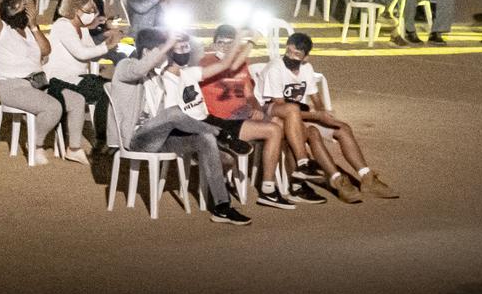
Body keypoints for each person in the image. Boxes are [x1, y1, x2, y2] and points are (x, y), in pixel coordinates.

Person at [109, 27, 252, 225]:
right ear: (147, 52)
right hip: (136, 139)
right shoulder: (126, 65)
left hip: (161, 138)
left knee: (205, 139)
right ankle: (222, 135)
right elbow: (139, 69)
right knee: (175, 111)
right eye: (162, 50)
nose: (167, 55)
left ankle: (222, 206)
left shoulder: (159, 77)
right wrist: (168, 43)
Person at [254, 33, 398, 203]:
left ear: (306, 57)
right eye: (289, 51)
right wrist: (316, 115)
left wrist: (323, 114)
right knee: (313, 132)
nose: (291, 57)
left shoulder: (306, 68)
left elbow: (314, 97)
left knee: (342, 128)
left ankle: (366, 176)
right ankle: (338, 180)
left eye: (297, 54)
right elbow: (282, 108)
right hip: (276, 116)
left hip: (299, 114)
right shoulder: (275, 69)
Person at [197, 26, 297, 209]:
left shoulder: (241, 64)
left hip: (242, 116)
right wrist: (250, 41)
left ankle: (291, 179)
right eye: (222, 43)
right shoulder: (205, 62)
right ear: (213, 43)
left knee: (280, 122)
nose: (227, 47)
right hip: (222, 120)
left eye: (231, 43)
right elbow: (227, 65)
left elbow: (249, 94)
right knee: (274, 130)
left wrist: (256, 108)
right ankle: (268, 189)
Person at [43, 0, 121, 158]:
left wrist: (115, 47)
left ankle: (106, 139)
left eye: (93, 11)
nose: (92, 15)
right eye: (88, 11)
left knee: (111, 89)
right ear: (75, 9)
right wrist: (107, 46)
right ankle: (102, 140)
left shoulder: (82, 28)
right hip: (59, 81)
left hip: (78, 78)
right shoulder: (62, 26)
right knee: (106, 91)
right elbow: (82, 53)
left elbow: (92, 52)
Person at [0, 0, 62, 165]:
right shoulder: (2, 31)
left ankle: (72, 147)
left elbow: (46, 50)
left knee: (71, 98)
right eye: (26, 7)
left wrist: (34, 26)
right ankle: (35, 144)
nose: (29, 11)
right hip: (13, 86)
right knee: (53, 107)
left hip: (36, 84)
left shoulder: (28, 31)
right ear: (12, 9)